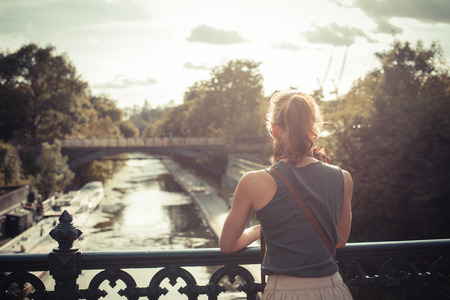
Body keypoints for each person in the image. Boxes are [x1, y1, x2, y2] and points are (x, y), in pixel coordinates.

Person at [220, 90, 353, 299]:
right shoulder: (342, 177)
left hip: (284, 291)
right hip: (332, 288)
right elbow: (339, 241)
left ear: (274, 130)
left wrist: (259, 230)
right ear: (314, 130)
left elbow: (227, 245)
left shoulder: (253, 182)